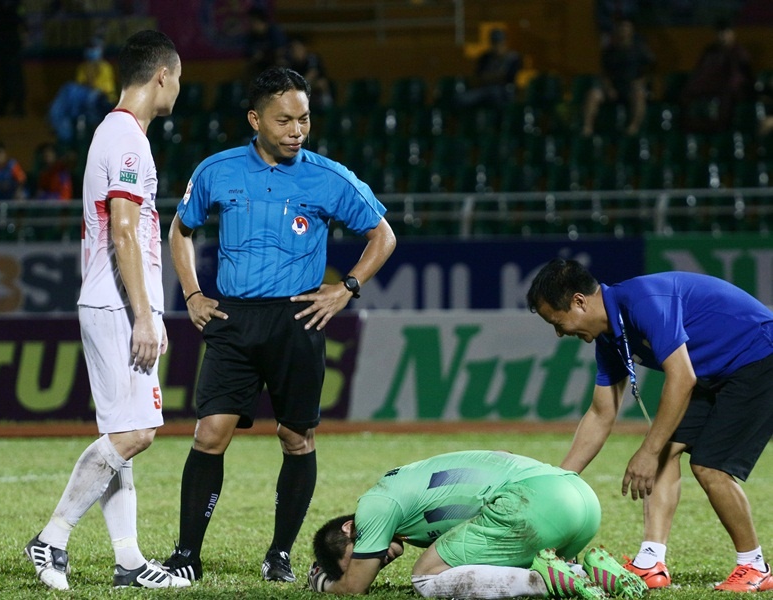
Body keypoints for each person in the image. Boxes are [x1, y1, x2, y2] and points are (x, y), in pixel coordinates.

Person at [163, 66, 397, 584]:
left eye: (305, 119)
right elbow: (180, 231)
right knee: (209, 435)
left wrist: (346, 288)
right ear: (255, 119)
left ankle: (280, 553)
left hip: (297, 319)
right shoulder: (216, 171)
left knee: (296, 439)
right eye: (285, 119)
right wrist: (192, 293)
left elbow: (383, 235)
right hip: (233, 318)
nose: (297, 130)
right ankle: (185, 556)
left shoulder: (328, 177)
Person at [23, 30, 190, 592]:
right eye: (179, 78)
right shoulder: (125, 138)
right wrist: (145, 315)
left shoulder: (119, 133)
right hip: (118, 304)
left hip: (112, 300)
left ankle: (128, 560)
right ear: (162, 75)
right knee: (138, 433)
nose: (179, 90)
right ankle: (53, 535)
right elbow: (123, 229)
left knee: (123, 435)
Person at [527, 258, 773, 593]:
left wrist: (648, 449)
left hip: (759, 356)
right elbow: (601, 413)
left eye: (557, 322)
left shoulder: (644, 301)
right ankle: (650, 561)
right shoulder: (609, 336)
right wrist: (559, 480)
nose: (559, 333)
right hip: (716, 372)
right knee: (663, 454)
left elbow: (682, 377)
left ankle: (754, 566)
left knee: (709, 466)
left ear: (578, 302)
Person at [307, 450, 647, 599]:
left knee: (426, 577)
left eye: (359, 558)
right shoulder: (411, 502)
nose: (373, 562)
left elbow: (354, 588)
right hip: (579, 498)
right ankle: (590, 574)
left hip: (536, 502)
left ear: (350, 528)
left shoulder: (375, 504)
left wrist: (323, 582)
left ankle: (548, 582)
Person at [581, 18, 654, 137]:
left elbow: (651, 69)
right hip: (613, 88)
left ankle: (633, 127)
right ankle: (587, 127)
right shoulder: (609, 51)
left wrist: (641, 81)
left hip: (631, 87)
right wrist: (609, 88)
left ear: (631, 31)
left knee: (639, 94)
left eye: (626, 28)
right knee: (593, 94)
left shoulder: (640, 50)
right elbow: (604, 74)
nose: (624, 31)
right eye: (621, 28)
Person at [681, 18, 754, 134]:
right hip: (708, 89)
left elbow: (738, 78)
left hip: (727, 92)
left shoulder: (739, 52)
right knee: (687, 93)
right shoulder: (710, 51)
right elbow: (700, 73)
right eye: (720, 33)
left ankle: (720, 131)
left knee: (726, 96)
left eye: (725, 32)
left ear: (732, 33)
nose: (722, 36)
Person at [455, 28, 521, 112]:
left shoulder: (513, 58)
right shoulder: (485, 57)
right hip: (484, 90)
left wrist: (489, 77)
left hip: (504, 92)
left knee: (495, 94)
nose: (497, 47)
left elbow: (508, 77)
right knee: (460, 99)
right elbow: (478, 76)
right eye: (494, 43)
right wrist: (496, 76)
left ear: (505, 43)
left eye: (499, 43)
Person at [0, 0, 27, 117]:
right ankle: (2, 106)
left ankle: (18, 107)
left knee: (15, 76)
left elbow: (23, 22)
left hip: (13, 46)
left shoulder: (17, 5)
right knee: (3, 77)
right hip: (1, 46)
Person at [285, 35, 334, 111]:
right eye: (293, 49)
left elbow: (312, 74)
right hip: (302, 91)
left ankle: (328, 109)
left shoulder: (312, 58)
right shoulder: (291, 63)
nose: (296, 51)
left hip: (316, 90)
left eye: (298, 48)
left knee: (322, 84)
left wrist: (300, 85)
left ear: (304, 48)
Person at [244, 6, 288, 81]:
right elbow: (248, 52)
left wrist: (264, 55)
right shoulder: (251, 36)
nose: (250, 25)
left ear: (258, 21)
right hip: (260, 65)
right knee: (249, 68)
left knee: (281, 63)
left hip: (274, 63)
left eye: (251, 22)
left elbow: (280, 51)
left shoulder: (274, 31)